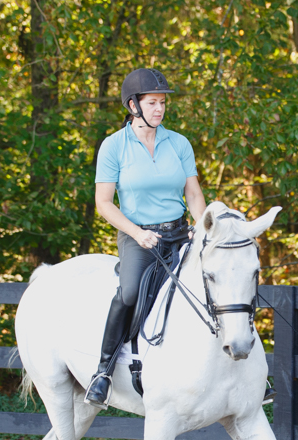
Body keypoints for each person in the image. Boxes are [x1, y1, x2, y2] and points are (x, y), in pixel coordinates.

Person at [85, 68, 208, 407]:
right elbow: (103, 203)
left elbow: (194, 194)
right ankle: (103, 371)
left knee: (218, 282)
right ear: (133, 105)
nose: (159, 109)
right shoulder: (114, 147)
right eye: (152, 102)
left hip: (179, 232)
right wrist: (138, 234)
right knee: (128, 294)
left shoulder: (178, 143)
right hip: (138, 236)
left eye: (162, 102)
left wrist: (206, 226)